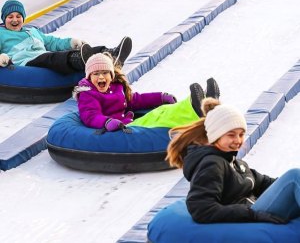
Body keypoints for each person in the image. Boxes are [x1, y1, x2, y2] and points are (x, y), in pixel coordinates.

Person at [166, 97, 300, 224]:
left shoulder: (234, 163)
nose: (238, 140)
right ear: (216, 136)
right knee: (294, 176)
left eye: (241, 134)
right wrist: (252, 215)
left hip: (254, 206)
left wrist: (283, 186)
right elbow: (202, 208)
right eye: (231, 135)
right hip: (252, 212)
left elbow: (263, 182)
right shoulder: (211, 164)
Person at [73, 52, 220, 132]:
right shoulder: (88, 94)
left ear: (111, 75)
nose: (100, 77)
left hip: (128, 122)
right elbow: (91, 116)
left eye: (105, 73)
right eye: (95, 73)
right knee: (159, 118)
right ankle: (195, 108)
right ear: (89, 77)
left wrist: (160, 97)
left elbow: (136, 100)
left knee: (163, 109)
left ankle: (204, 102)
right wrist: (107, 122)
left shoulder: (116, 87)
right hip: (121, 130)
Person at [0, 0, 132, 75]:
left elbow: (52, 42)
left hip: (41, 54)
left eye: (18, 16)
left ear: (23, 18)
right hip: (26, 61)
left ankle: (110, 54)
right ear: (4, 19)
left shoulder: (32, 31)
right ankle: (81, 60)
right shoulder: (2, 34)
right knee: (52, 58)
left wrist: (71, 42)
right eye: (10, 17)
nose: (14, 20)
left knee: (65, 53)